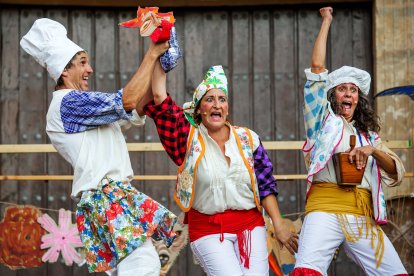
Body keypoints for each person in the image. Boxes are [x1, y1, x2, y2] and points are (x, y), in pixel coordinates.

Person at [20, 18, 177, 275]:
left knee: (129, 268)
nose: (90, 69)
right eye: (82, 62)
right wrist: (152, 53)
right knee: (144, 265)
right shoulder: (68, 103)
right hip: (106, 197)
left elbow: (136, 104)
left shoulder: (85, 108)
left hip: (107, 198)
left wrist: (160, 66)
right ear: (63, 71)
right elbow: (127, 99)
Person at [143, 61, 298, 276]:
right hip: (208, 230)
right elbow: (160, 100)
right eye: (209, 100)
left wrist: (278, 224)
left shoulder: (248, 139)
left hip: (250, 226)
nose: (217, 104)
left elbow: (265, 184)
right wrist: (159, 54)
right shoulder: (187, 140)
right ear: (199, 109)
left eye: (222, 99)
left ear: (227, 107)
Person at [292, 7, 408, 276]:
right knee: (307, 271)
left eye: (352, 90)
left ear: (358, 98)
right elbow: (318, 70)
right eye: (341, 89)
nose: (347, 94)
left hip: (361, 214)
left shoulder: (370, 136)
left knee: (395, 273)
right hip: (324, 209)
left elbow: (395, 171)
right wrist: (326, 22)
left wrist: (372, 151)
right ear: (332, 95)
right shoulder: (321, 122)